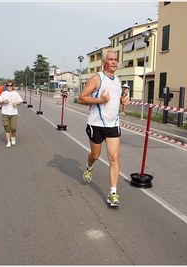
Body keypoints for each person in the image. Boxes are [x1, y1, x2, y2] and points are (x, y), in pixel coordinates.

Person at [78, 50, 130, 207]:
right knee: (95, 154)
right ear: (103, 62)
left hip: (113, 124)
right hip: (96, 124)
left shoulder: (118, 80)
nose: (114, 62)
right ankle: (89, 166)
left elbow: (117, 97)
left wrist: (123, 100)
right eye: (111, 59)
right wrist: (100, 99)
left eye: (115, 59)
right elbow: (81, 98)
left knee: (114, 157)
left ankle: (113, 193)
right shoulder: (96, 78)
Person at [0, 81, 23, 148]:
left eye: (10, 85)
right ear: (6, 86)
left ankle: (13, 137)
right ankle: (8, 142)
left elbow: (20, 101)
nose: (9, 87)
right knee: (7, 128)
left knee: (13, 128)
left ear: (13, 86)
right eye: (7, 85)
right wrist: (3, 101)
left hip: (14, 113)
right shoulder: (3, 93)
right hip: (5, 112)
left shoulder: (16, 93)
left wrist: (16, 104)